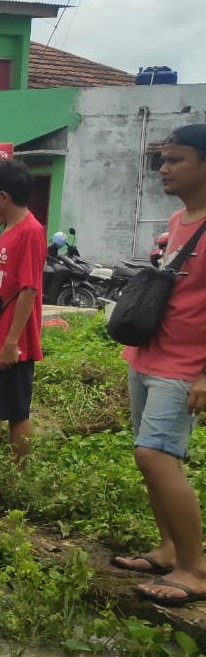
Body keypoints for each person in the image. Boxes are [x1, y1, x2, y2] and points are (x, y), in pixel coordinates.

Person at [111, 124, 206, 607]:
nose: (165, 169)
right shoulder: (179, 218)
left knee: (156, 456)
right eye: (163, 160)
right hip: (148, 354)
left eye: (177, 159)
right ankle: (169, 548)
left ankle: (196, 567)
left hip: (184, 364)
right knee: (148, 459)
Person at [0, 159, 45, 477]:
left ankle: (18, 478)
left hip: (12, 341)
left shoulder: (30, 232)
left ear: (4, 196)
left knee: (15, 411)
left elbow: (29, 290)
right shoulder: (9, 230)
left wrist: (12, 342)